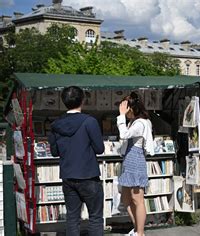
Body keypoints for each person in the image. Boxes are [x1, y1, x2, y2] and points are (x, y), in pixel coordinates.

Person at [48, 86, 105, 236]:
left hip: (68, 175)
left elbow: (54, 152)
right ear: (82, 100)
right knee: (95, 217)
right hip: (89, 176)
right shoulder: (89, 121)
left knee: (72, 218)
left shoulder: (55, 125)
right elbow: (99, 149)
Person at [117, 92, 155, 236]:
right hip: (129, 159)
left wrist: (121, 116)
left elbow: (124, 135)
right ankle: (137, 228)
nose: (124, 111)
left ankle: (140, 233)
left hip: (136, 159)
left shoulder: (141, 123)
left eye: (126, 108)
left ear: (132, 108)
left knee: (137, 198)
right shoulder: (135, 121)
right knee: (126, 198)